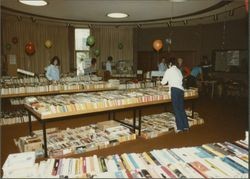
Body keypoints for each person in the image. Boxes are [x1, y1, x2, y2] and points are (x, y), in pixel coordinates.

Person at [160, 58, 189, 133]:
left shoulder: (169, 70)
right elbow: (180, 79)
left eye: (167, 64)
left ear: (170, 64)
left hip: (175, 90)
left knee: (176, 109)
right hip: (181, 90)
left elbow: (163, 82)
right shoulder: (178, 70)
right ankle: (186, 126)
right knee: (181, 108)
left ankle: (179, 128)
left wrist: (161, 83)